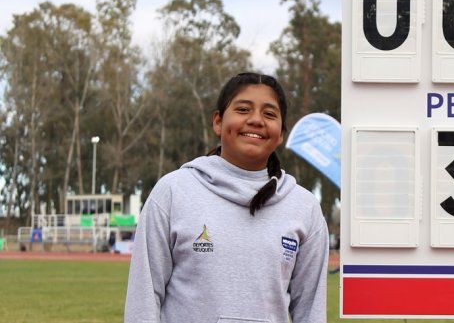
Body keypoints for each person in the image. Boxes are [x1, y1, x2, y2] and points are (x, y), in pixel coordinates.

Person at [125, 73, 328, 323]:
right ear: (218, 122)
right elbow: (143, 299)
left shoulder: (304, 207)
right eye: (243, 109)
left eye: (269, 114)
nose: (255, 120)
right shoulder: (172, 192)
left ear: (280, 134)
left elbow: (310, 311)